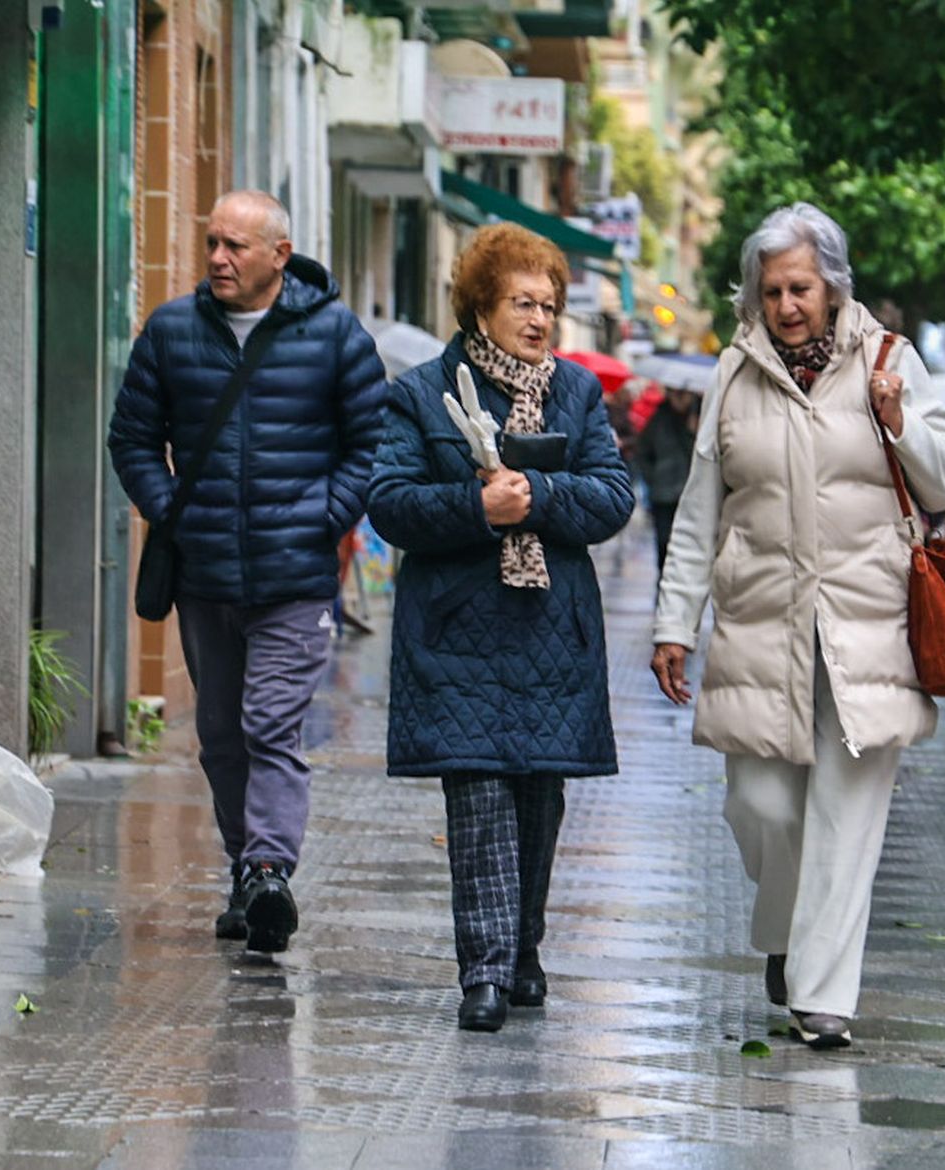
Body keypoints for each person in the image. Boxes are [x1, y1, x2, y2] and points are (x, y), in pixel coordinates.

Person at [650, 203, 945, 1050]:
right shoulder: (734, 375)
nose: (787, 305)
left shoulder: (891, 361)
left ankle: (823, 995)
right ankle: (788, 934)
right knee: (761, 806)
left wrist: (900, 424)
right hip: (761, 624)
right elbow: (699, 511)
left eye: (800, 288)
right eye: (772, 291)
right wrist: (673, 622)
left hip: (870, 629)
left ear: (832, 286)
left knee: (846, 819)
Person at [367, 223, 634, 1033]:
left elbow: (612, 496)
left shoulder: (576, 393)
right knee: (479, 790)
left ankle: (522, 952)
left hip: (553, 631)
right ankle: (483, 970)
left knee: (538, 796)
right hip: (459, 633)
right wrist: (476, 506)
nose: (539, 319)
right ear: (480, 307)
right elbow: (390, 501)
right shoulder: (421, 393)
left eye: (548, 305)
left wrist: (539, 496)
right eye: (523, 303)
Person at [107, 190, 387, 953]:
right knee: (221, 735)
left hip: (296, 576)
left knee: (270, 723)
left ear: (279, 255)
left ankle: (269, 867)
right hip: (204, 575)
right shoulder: (172, 330)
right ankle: (247, 874)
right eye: (212, 242)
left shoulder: (335, 334)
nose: (218, 258)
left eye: (235, 245)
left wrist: (324, 516)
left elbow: (372, 445)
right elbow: (132, 438)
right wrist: (173, 511)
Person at [635, 384, 700, 572]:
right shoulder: (658, 419)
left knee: (689, 544)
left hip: (690, 492)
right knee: (663, 541)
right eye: (676, 393)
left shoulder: (697, 417)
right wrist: (653, 478)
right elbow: (643, 451)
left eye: (683, 394)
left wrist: (692, 432)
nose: (680, 398)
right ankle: (663, 580)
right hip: (663, 492)